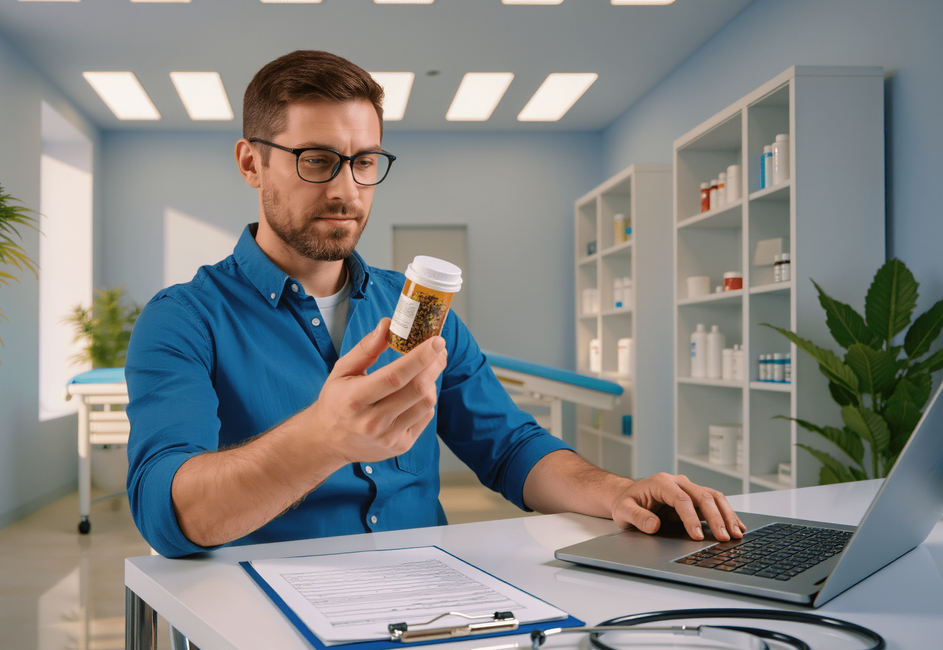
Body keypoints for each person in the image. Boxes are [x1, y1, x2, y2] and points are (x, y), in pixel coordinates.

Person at [125, 50, 744, 558]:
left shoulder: (414, 307)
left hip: (431, 602)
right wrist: (324, 437)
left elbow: (509, 447)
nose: (347, 190)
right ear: (251, 163)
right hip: (269, 611)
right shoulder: (184, 319)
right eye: (317, 161)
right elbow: (165, 511)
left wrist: (616, 492)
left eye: (364, 162)